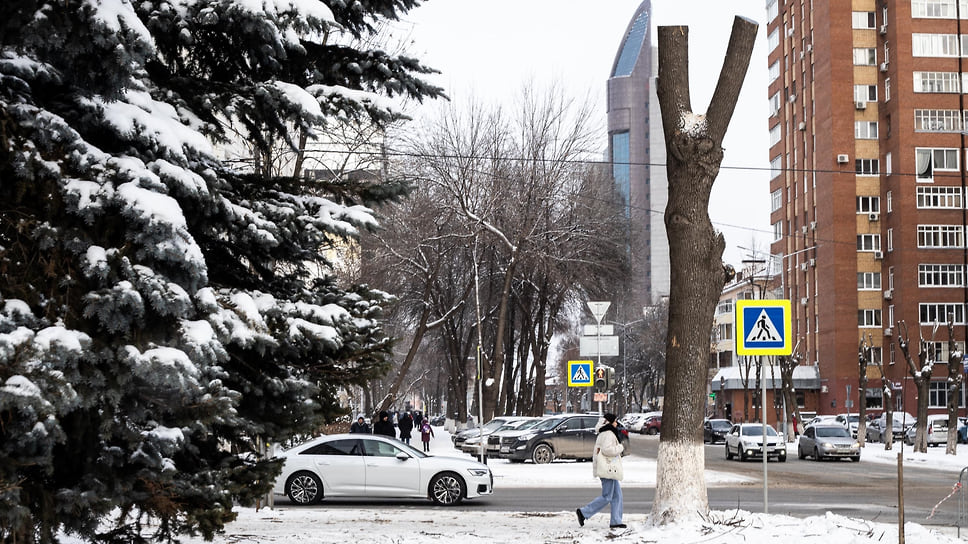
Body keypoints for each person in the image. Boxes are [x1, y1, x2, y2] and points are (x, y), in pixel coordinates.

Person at [576, 413, 625, 529]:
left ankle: (616, 521)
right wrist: (620, 447)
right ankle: (583, 512)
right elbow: (607, 450)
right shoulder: (608, 433)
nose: (616, 423)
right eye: (615, 421)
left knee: (617, 496)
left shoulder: (604, 432)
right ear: (609, 422)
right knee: (607, 496)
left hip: (608, 468)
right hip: (608, 468)